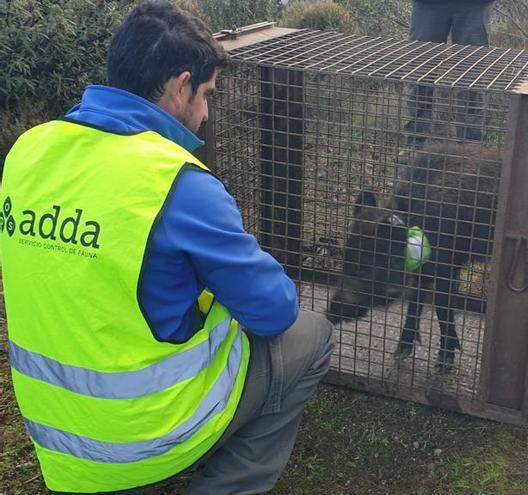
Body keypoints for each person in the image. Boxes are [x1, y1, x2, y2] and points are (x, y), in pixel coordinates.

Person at [0, 1, 334, 493]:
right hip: (145, 443)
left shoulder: (28, 151)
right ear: (181, 86)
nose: (204, 114)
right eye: (207, 95)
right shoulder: (177, 183)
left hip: (59, 445)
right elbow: (274, 311)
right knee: (312, 334)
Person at [404, 0, 495, 147]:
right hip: (428, 5)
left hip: (474, 5)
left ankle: (471, 150)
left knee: (471, 79)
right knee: (421, 74)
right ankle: (414, 145)